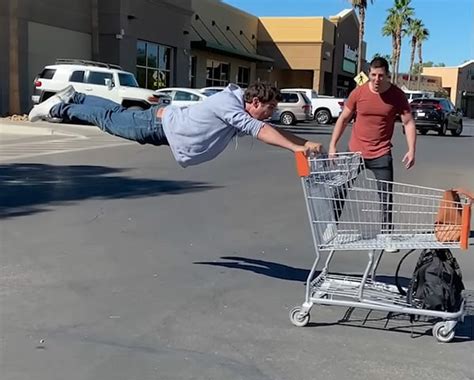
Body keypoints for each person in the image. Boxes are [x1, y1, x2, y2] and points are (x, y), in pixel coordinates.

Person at [28, 82, 323, 167]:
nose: (270, 114)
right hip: (154, 125)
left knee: (113, 114)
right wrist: (294, 150)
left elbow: (273, 128)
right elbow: (261, 131)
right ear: (255, 103)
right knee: (107, 120)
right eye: (269, 108)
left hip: (162, 127)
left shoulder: (239, 107)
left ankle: (76, 95)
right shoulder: (228, 105)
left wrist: (301, 143)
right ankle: (59, 106)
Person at [328, 57, 417, 252]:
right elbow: (343, 119)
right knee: (340, 190)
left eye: (381, 76)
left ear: (387, 75)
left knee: (385, 196)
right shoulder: (358, 93)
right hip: (355, 152)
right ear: (369, 74)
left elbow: (408, 123)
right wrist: (333, 145)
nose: (377, 79)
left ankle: (386, 235)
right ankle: (331, 228)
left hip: (382, 153)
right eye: (373, 75)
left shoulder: (396, 95)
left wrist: (412, 150)